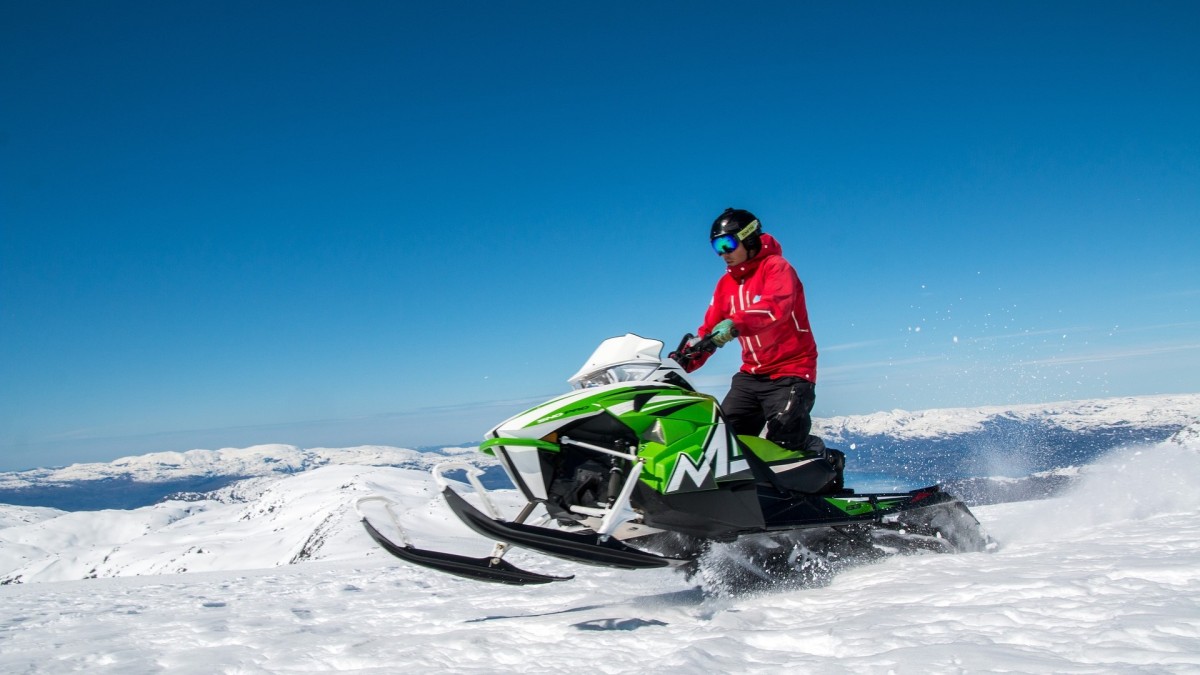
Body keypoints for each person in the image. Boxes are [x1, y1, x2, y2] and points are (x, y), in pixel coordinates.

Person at [683, 207, 819, 452]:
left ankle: (819, 458)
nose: (723, 254)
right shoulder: (726, 284)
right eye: (716, 247)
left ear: (748, 237)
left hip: (790, 373)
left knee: (785, 447)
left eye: (727, 243)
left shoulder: (776, 267)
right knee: (723, 446)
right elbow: (709, 330)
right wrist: (685, 361)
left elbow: (775, 307)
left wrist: (735, 325)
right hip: (751, 377)